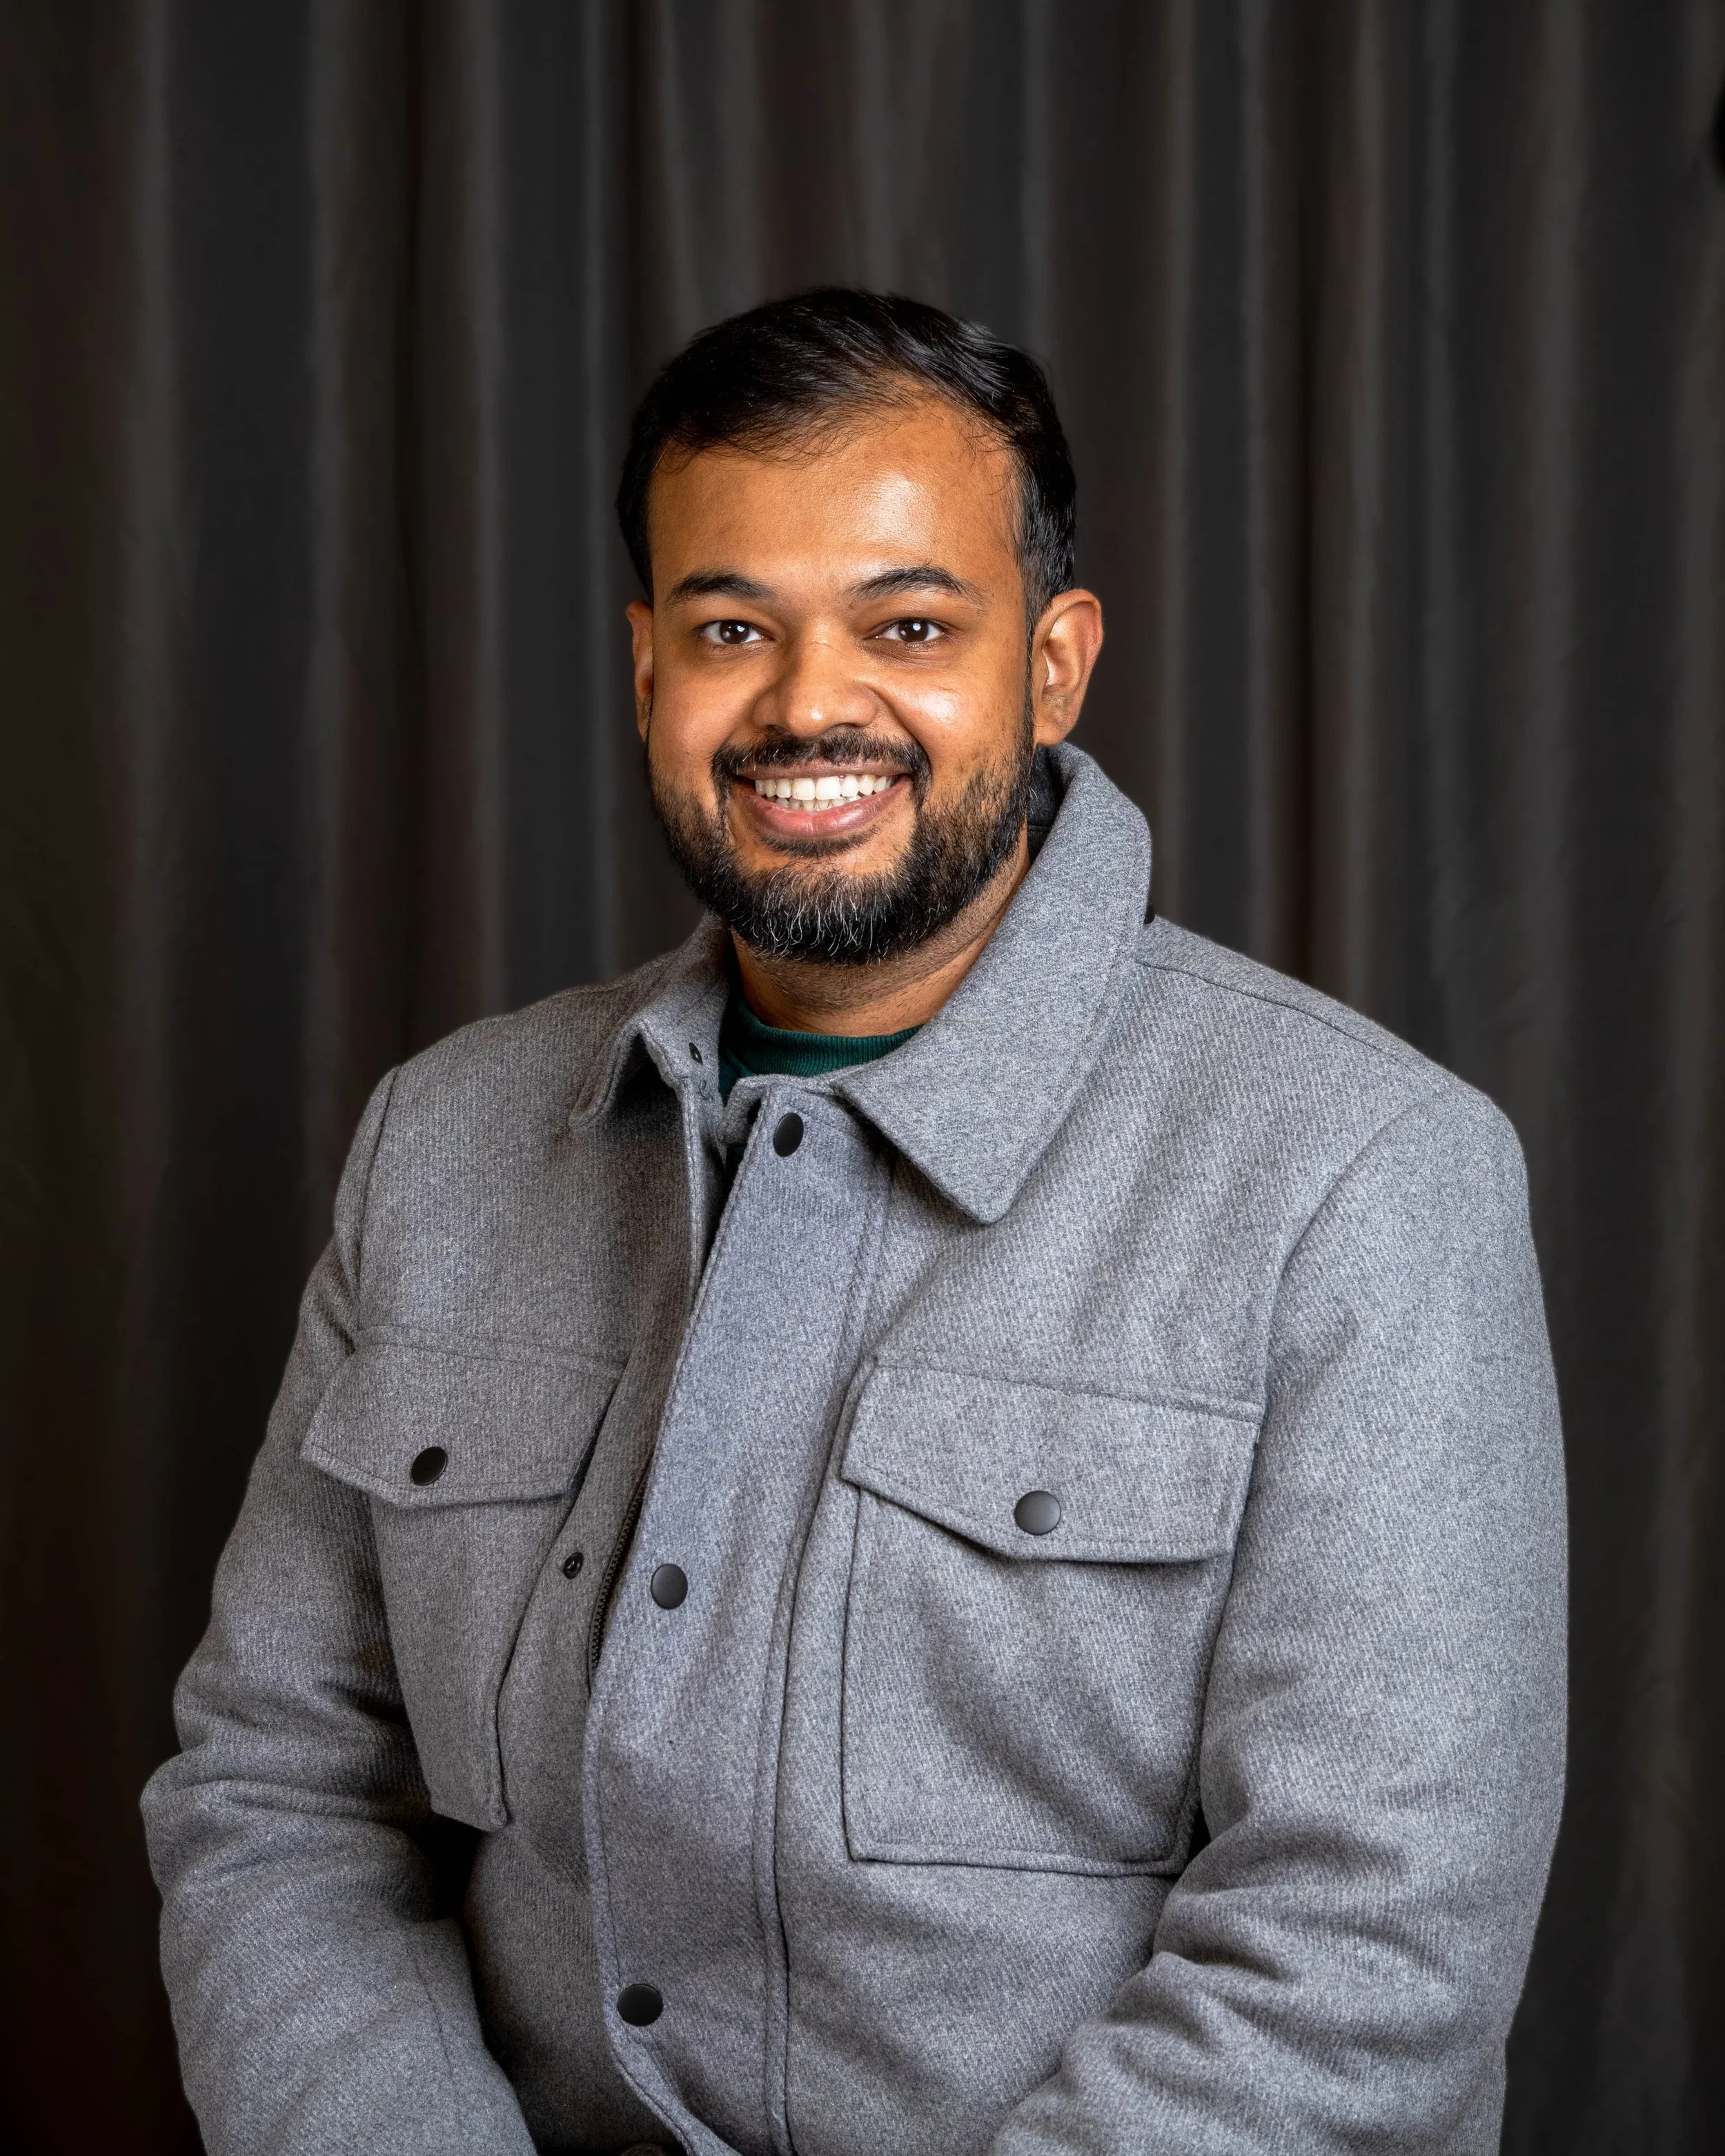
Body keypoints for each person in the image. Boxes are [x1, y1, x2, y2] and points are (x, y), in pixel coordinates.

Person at [142, 288, 1567, 2156]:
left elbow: (1369, 1950)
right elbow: (276, 1789)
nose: (811, 702)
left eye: (907, 624)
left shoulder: (1358, 1175)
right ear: (648, 666)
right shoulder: (449, 1141)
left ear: (1052, 665)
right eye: (734, 626)